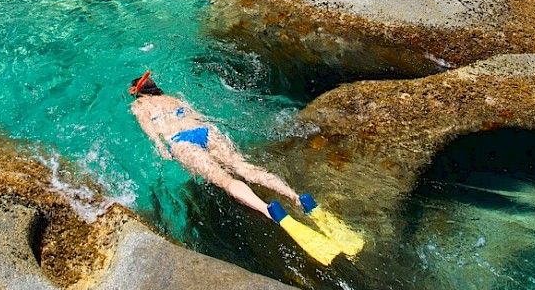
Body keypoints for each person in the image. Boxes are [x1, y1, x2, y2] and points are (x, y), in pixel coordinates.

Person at [128, 71, 363, 265]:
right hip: (206, 131)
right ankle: (298, 198)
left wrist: (161, 147)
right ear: (155, 87)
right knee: (244, 167)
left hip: (181, 140)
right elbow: (198, 115)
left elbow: (150, 130)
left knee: (226, 181)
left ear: (136, 92)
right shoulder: (174, 98)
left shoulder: (139, 106)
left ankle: (268, 210)